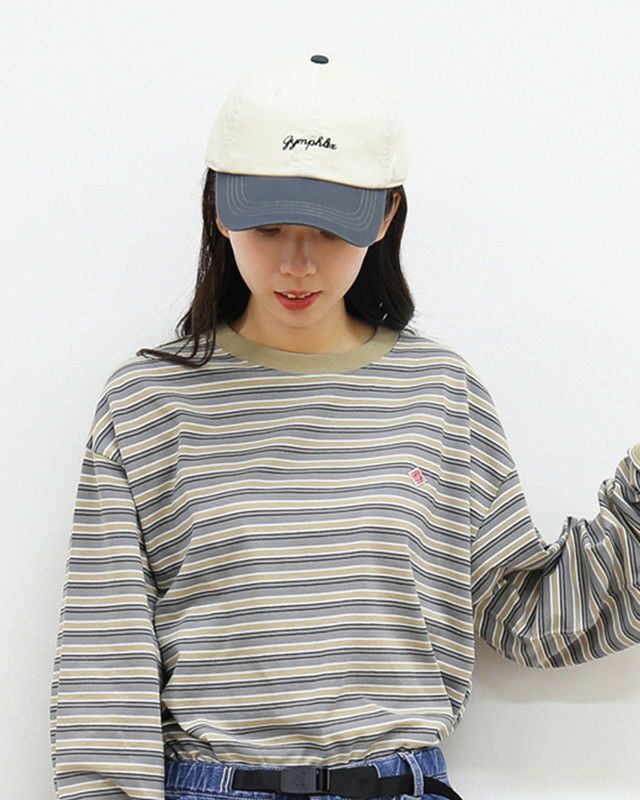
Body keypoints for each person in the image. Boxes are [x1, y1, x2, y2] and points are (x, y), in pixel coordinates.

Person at [48, 54, 640, 800]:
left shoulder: (439, 393)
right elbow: (104, 667)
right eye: (269, 227)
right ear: (219, 209)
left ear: (386, 216)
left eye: (331, 230)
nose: (297, 264)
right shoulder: (148, 403)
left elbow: (530, 614)